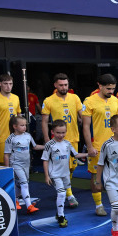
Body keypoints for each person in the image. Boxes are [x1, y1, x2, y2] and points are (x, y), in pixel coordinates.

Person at [42, 73, 83, 208]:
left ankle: (65, 189)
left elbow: (82, 116)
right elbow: (44, 121)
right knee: (62, 167)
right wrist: (47, 138)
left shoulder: (75, 97)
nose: (64, 87)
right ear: (55, 85)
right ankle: (69, 194)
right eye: (61, 85)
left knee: (72, 167)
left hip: (73, 138)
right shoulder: (49, 100)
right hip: (58, 140)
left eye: (66, 85)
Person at [82, 74, 118, 217]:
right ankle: (99, 205)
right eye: (108, 89)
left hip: (114, 145)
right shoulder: (89, 101)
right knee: (96, 176)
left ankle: (117, 203)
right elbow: (86, 126)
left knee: (116, 175)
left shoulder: (115, 100)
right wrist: (90, 146)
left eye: (113, 89)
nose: (111, 91)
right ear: (100, 86)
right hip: (97, 146)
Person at [43, 119, 91, 227]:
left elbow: (76, 155)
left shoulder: (67, 143)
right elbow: (45, 160)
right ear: (52, 132)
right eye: (58, 132)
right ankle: (61, 217)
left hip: (65, 174)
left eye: (63, 132)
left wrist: (88, 154)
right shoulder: (49, 145)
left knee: (63, 194)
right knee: (61, 194)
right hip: (55, 174)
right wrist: (46, 175)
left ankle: (59, 213)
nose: (61, 135)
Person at [4, 115, 42, 214]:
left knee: (19, 184)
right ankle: (29, 205)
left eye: (25, 125)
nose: (24, 127)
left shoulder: (28, 136)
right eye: (22, 125)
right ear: (15, 126)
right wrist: (7, 169)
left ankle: (15, 200)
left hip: (26, 164)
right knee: (24, 184)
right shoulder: (10, 139)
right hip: (16, 164)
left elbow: (35, 146)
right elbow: (6, 155)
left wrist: (47, 146)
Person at [0, 74, 21, 164]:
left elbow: (19, 116)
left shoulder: (16, 98)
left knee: (16, 160)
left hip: (15, 135)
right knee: (2, 162)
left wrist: (21, 132)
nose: (8, 86)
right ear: (0, 84)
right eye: (5, 84)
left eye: (10, 84)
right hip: (1, 136)